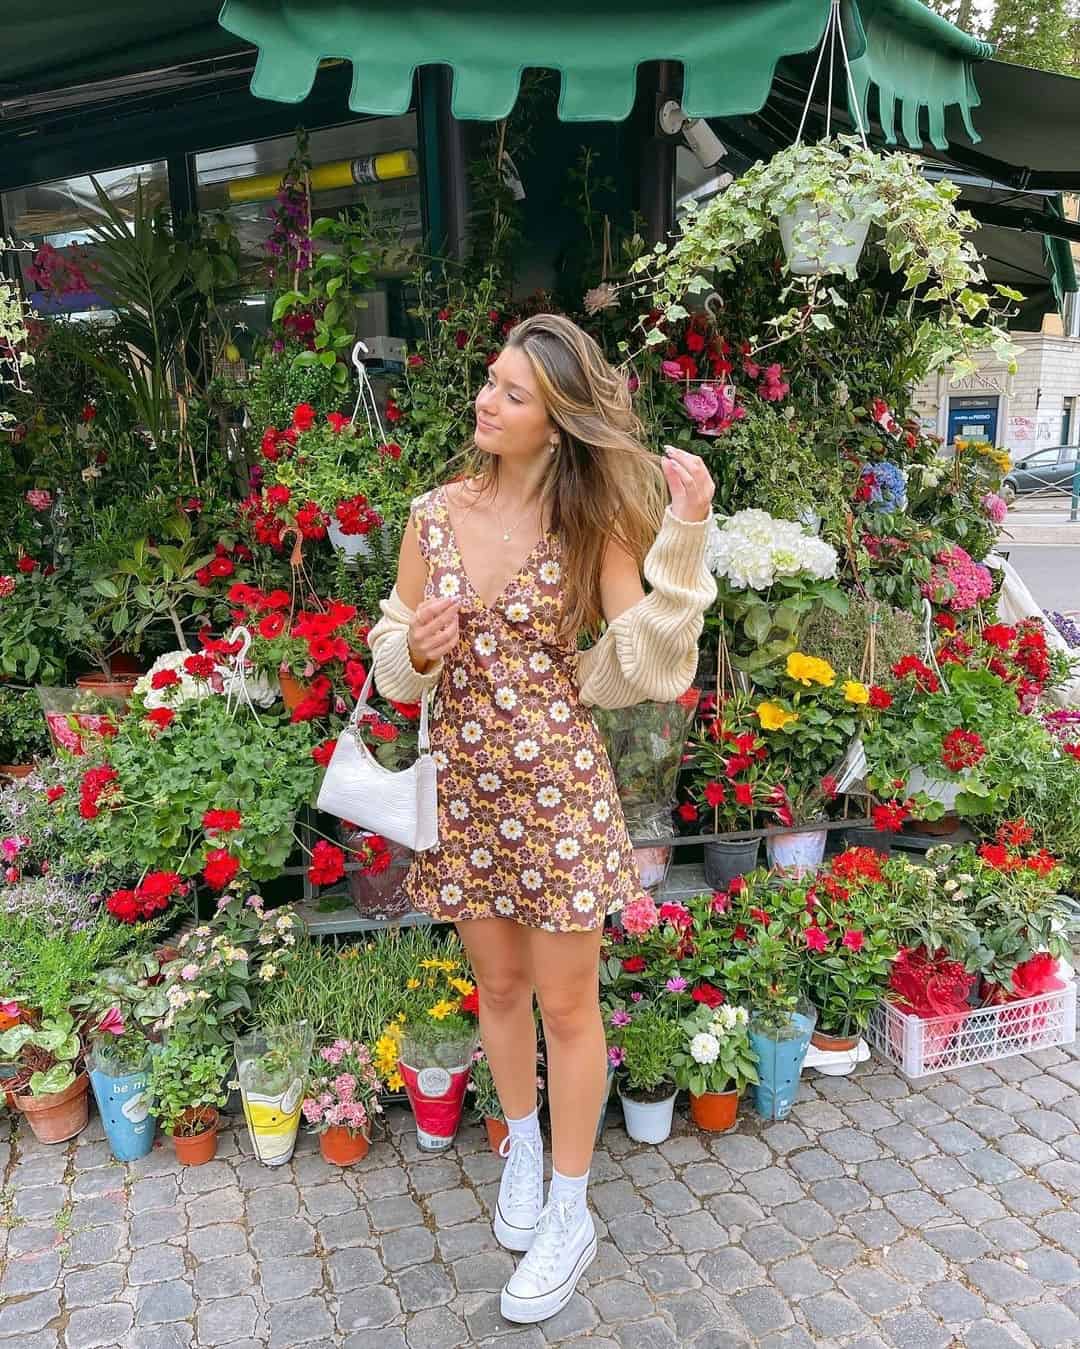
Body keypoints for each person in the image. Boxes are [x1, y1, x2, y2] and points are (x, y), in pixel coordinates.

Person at [369, 313, 716, 1324]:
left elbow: (643, 666)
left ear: (555, 421)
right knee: (502, 986)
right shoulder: (431, 515)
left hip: (559, 794)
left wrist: (683, 537)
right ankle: (520, 1146)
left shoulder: (588, 528)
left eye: (512, 392)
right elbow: (391, 661)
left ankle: (570, 1206)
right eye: (490, 381)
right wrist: (420, 651)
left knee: (568, 1006)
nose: (486, 400)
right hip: (465, 792)